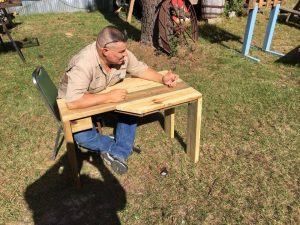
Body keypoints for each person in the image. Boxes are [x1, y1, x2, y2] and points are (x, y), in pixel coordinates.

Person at [58, 26, 178, 175]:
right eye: (121, 52)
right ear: (105, 51)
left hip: (101, 96)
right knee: (82, 136)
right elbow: (73, 101)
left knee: (131, 109)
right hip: (78, 103)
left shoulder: (122, 54)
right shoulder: (83, 64)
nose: (125, 55)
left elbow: (139, 69)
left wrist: (162, 78)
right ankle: (118, 149)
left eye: (125, 50)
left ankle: (117, 150)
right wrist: (108, 97)